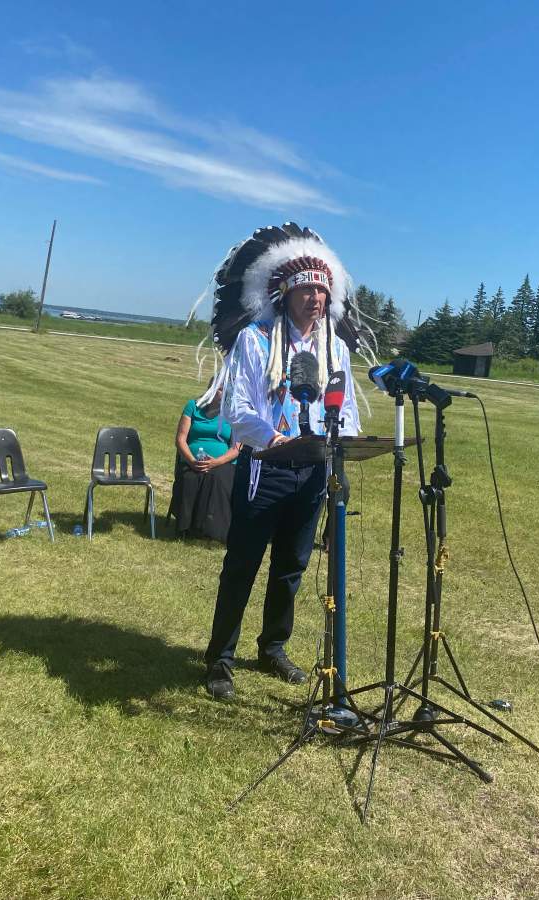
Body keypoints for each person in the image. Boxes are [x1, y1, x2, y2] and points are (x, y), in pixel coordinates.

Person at [197, 223, 370, 700]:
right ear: (286, 295)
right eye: (306, 290)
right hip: (265, 469)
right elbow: (238, 410)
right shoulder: (256, 340)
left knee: (291, 566)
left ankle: (272, 648)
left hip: (313, 472)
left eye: (322, 290)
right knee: (242, 565)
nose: (315, 298)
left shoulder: (334, 347)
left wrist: (344, 442)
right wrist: (274, 438)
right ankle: (221, 658)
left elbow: (348, 408)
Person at [168, 382, 241, 542]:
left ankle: (212, 530)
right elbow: (181, 439)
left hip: (223, 462)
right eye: (220, 389)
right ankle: (186, 528)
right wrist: (192, 461)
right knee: (190, 478)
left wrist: (216, 462)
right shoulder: (193, 406)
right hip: (193, 460)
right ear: (211, 389)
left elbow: (236, 448)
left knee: (217, 479)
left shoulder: (234, 412)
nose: (223, 393)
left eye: (227, 390)